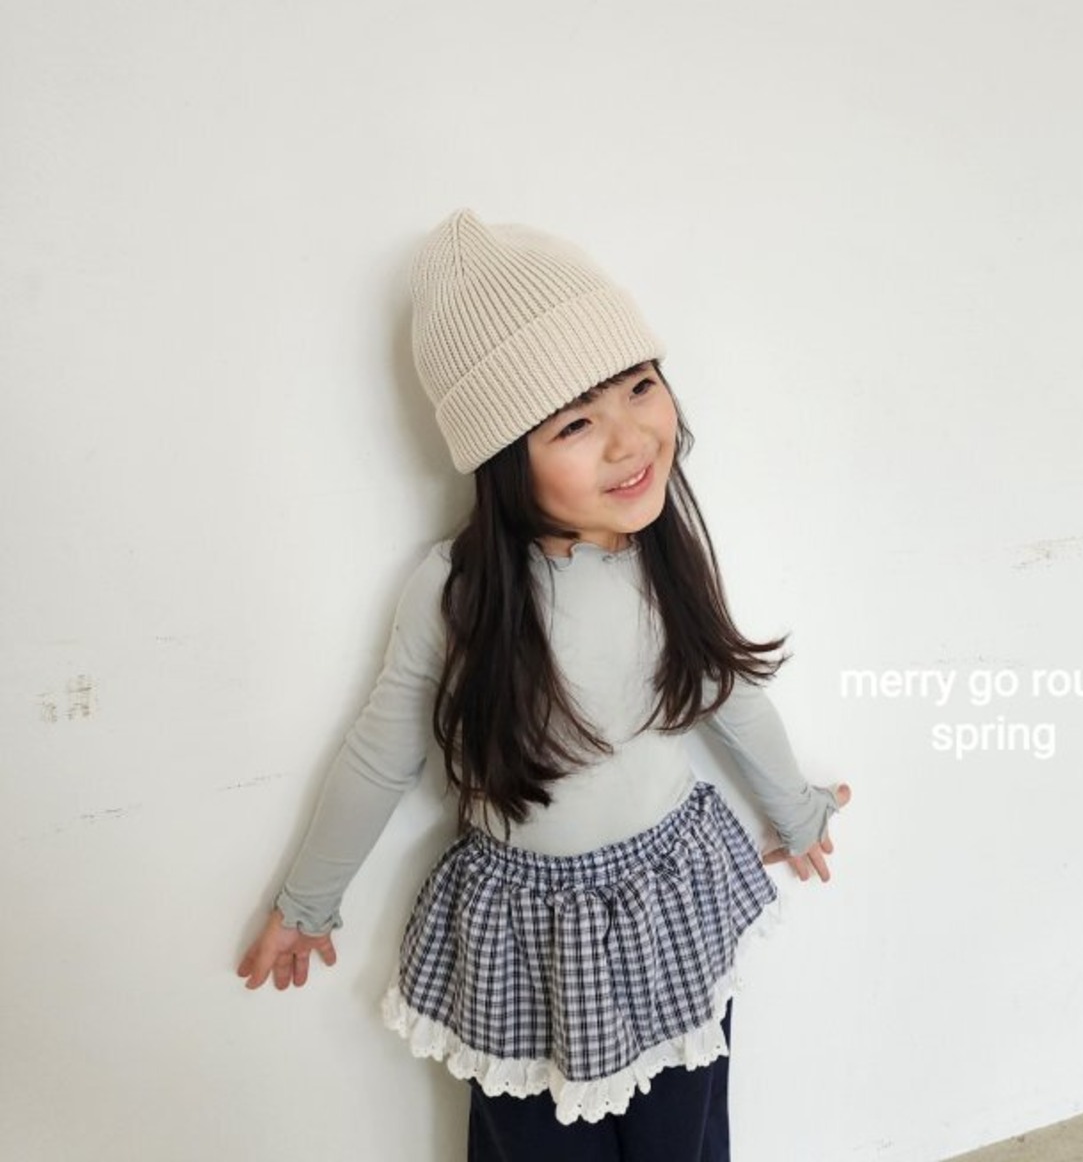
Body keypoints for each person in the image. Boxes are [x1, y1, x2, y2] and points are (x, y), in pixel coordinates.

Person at [237, 208, 851, 1161]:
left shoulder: (660, 554)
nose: (629, 439)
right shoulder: (456, 593)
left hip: (668, 905)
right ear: (502, 458)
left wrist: (795, 807)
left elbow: (724, 690)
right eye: (575, 422)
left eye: (640, 386)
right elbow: (381, 754)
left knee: (684, 1138)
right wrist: (307, 900)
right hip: (527, 938)